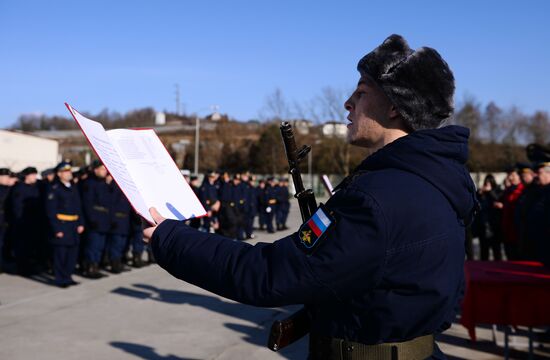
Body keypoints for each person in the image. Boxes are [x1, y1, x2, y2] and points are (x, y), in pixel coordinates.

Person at [143, 34, 477, 359]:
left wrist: (170, 238)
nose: (348, 103)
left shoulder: (378, 199)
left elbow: (268, 276)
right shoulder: (441, 182)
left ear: (394, 106)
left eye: (361, 93)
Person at [44, 161, 84, 287]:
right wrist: (57, 229)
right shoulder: (54, 188)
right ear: (59, 174)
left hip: (73, 225)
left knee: (72, 254)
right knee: (61, 254)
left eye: (69, 171)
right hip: (62, 225)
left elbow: (79, 207)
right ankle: (60, 278)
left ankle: (68, 276)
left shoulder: (73, 187)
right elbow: (51, 211)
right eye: (66, 172)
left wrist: (80, 223)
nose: (69, 173)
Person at [80, 160, 112, 278]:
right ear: (95, 170)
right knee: (92, 246)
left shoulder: (104, 183)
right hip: (95, 220)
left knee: (99, 246)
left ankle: (96, 266)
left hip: (104, 220)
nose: (105, 172)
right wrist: (92, 219)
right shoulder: (89, 183)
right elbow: (88, 204)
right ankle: (89, 268)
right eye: (102, 169)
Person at [10, 166, 42, 275]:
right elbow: (17, 206)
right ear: (26, 176)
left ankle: (31, 266)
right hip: (23, 222)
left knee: (32, 246)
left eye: (35, 175)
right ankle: (22, 268)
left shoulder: (36, 187)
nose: (34, 177)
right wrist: (20, 220)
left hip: (35, 221)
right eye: (32, 175)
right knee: (23, 247)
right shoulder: (19, 188)